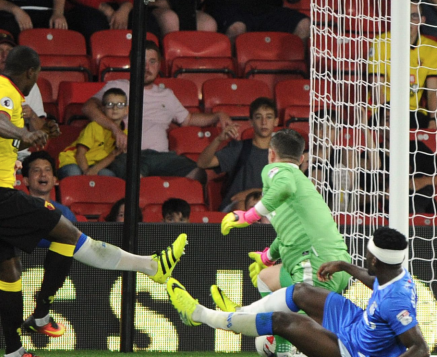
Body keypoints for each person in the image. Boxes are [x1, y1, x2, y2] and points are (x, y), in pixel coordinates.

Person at [0, 45, 188, 355]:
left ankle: (14, 350)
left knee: (9, 268)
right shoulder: (3, 92)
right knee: (68, 233)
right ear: (31, 73)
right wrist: (24, 136)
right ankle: (148, 266)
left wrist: (36, 130)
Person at [168, 227, 430, 357]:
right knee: (301, 291)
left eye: (369, 251)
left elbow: (420, 347)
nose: (366, 252)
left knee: (283, 321)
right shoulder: (392, 273)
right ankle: (240, 315)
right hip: (355, 322)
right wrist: (342, 265)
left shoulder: (397, 301)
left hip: (353, 349)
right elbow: (374, 278)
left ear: (375, 259)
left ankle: (201, 315)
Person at [219, 128, 352, 355]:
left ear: (271, 154)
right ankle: (281, 344)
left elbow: (284, 186)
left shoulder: (277, 170)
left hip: (316, 265)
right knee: (265, 279)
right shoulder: (299, 187)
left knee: (300, 327)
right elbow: (289, 231)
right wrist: (267, 257)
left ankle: (287, 342)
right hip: (331, 264)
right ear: (301, 160)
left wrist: (248, 216)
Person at [82, 40, 231, 181]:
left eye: (152, 62)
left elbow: (189, 119)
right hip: (129, 156)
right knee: (136, 183)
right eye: (142, 62)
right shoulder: (118, 87)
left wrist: (218, 115)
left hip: (162, 157)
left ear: (159, 65)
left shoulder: (166, 95)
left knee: (197, 174)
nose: (147, 68)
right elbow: (88, 107)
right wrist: (115, 128)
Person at [197, 97, 277, 212]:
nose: (264, 122)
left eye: (269, 117)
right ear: (251, 122)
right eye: (258, 117)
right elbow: (203, 163)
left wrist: (251, 193)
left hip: (269, 206)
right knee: (241, 206)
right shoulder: (240, 148)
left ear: (276, 121)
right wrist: (218, 140)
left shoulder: (282, 153)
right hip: (236, 207)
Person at [368, 0, 437, 129]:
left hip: (414, 112)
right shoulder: (381, 42)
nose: (408, 21)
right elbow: (377, 87)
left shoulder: (431, 48)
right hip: (382, 110)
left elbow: (432, 91)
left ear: (422, 20)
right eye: (405, 15)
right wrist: (386, 116)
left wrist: (434, 119)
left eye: (414, 16)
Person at [0, 33, 49, 160]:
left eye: (9, 51)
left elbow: (43, 134)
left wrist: (32, 116)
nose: (5, 56)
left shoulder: (27, 83)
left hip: (21, 156)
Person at [58, 88, 127, 179]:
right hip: (73, 161)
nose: (115, 108)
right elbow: (80, 153)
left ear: (126, 110)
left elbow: (113, 155)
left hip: (95, 166)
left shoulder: (124, 134)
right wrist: (87, 172)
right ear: (102, 109)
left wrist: (93, 170)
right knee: (74, 173)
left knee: (108, 176)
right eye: (110, 104)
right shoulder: (94, 126)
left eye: (120, 105)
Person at [202, 0, 310, 44]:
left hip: (268, 8)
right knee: (237, 28)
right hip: (228, 6)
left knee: (303, 25)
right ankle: (233, 74)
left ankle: (294, 74)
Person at [66, 0, 161, 46]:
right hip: (85, 5)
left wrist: (126, 8)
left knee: (146, 22)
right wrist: (105, 9)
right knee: (94, 26)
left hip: (122, 5)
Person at [22, 150, 77, 222]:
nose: (43, 174)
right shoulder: (19, 211)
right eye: (36, 170)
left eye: (47, 170)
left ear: (54, 180)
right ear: (26, 181)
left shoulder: (65, 213)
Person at [0, 0, 68, 39]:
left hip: (47, 14)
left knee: (79, 17)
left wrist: (58, 13)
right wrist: (16, 11)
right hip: (11, 14)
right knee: (5, 25)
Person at [150, 0, 217, 35]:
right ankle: (170, 57)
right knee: (170, 19)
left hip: (186, 8)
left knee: (208, 24)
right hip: (153, 8)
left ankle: (193, 58)